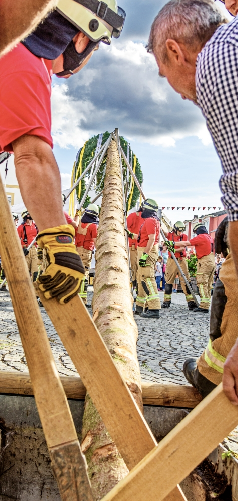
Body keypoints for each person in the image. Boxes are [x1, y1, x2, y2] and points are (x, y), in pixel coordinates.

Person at [0, 1, 126, 306]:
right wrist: (59, 240)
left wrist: (54, 215)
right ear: (80, 38)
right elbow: (32, 157)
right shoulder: (24, 60)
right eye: (95, 48)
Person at [147, 0, 238, 400]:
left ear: (174, 50)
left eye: (164, 74)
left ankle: (216, 375)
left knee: (230, 282)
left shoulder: (217, 64)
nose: (178, 94)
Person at [183, 218, 238, 397]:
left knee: (206, 287)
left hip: (219, 380)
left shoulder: (231, 270)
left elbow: (217, 326)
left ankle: (209, 375)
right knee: (206, 287)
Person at [173, 223, 215, 313]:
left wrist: (173, 243)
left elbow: (186, 243)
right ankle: (206, 304)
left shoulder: (201, 237)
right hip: (212, 260)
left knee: (202, 283)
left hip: (204, 261)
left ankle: (204, 307)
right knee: (208, 284)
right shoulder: (209, 237)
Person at [135, 198, 161, 318]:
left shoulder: (150, 220)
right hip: (144, 249)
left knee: (148, 279)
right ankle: (141, 307)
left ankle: (154, 308)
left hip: (147, 251)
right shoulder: (151, 220)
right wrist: (131, 234)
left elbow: (151, 239)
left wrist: (145, 254)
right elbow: (144, 237)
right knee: (141, 279)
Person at [162, 221, 196, 310]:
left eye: (182, 231)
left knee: (186, 280)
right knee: (169, 280)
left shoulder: (184, 237)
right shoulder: (170, 235)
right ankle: (166, 301)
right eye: (179, 231)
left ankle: (191, 302)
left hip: (181, 260)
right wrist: (159, 224)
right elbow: (164, 233)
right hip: (171, 260)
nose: (181, 232)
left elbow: (182, 248)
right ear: (175, 229)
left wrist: (173, 250)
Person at [75, 203, 99, 306]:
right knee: (84, 274)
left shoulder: (80, 222)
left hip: (76, 250)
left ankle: (75, 298)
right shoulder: (93, 226)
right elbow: (95, 241)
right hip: (86, 252)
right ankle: (82, 300)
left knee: (76, 273)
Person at [17, 210, 39, 282]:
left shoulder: (36, 226)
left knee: (35, 271)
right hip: (25, 250)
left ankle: (34, 288)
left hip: (35, 249)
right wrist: (21, 249)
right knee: (25, 271)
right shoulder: (21, 227)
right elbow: (16, 240)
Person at [126, 206, 145, 288]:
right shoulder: (134, 216)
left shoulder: (133, 216)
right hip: (136, 247)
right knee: (137, 269)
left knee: (133, 269)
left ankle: (136, 287)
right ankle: (136, 288)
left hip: (136, 247)